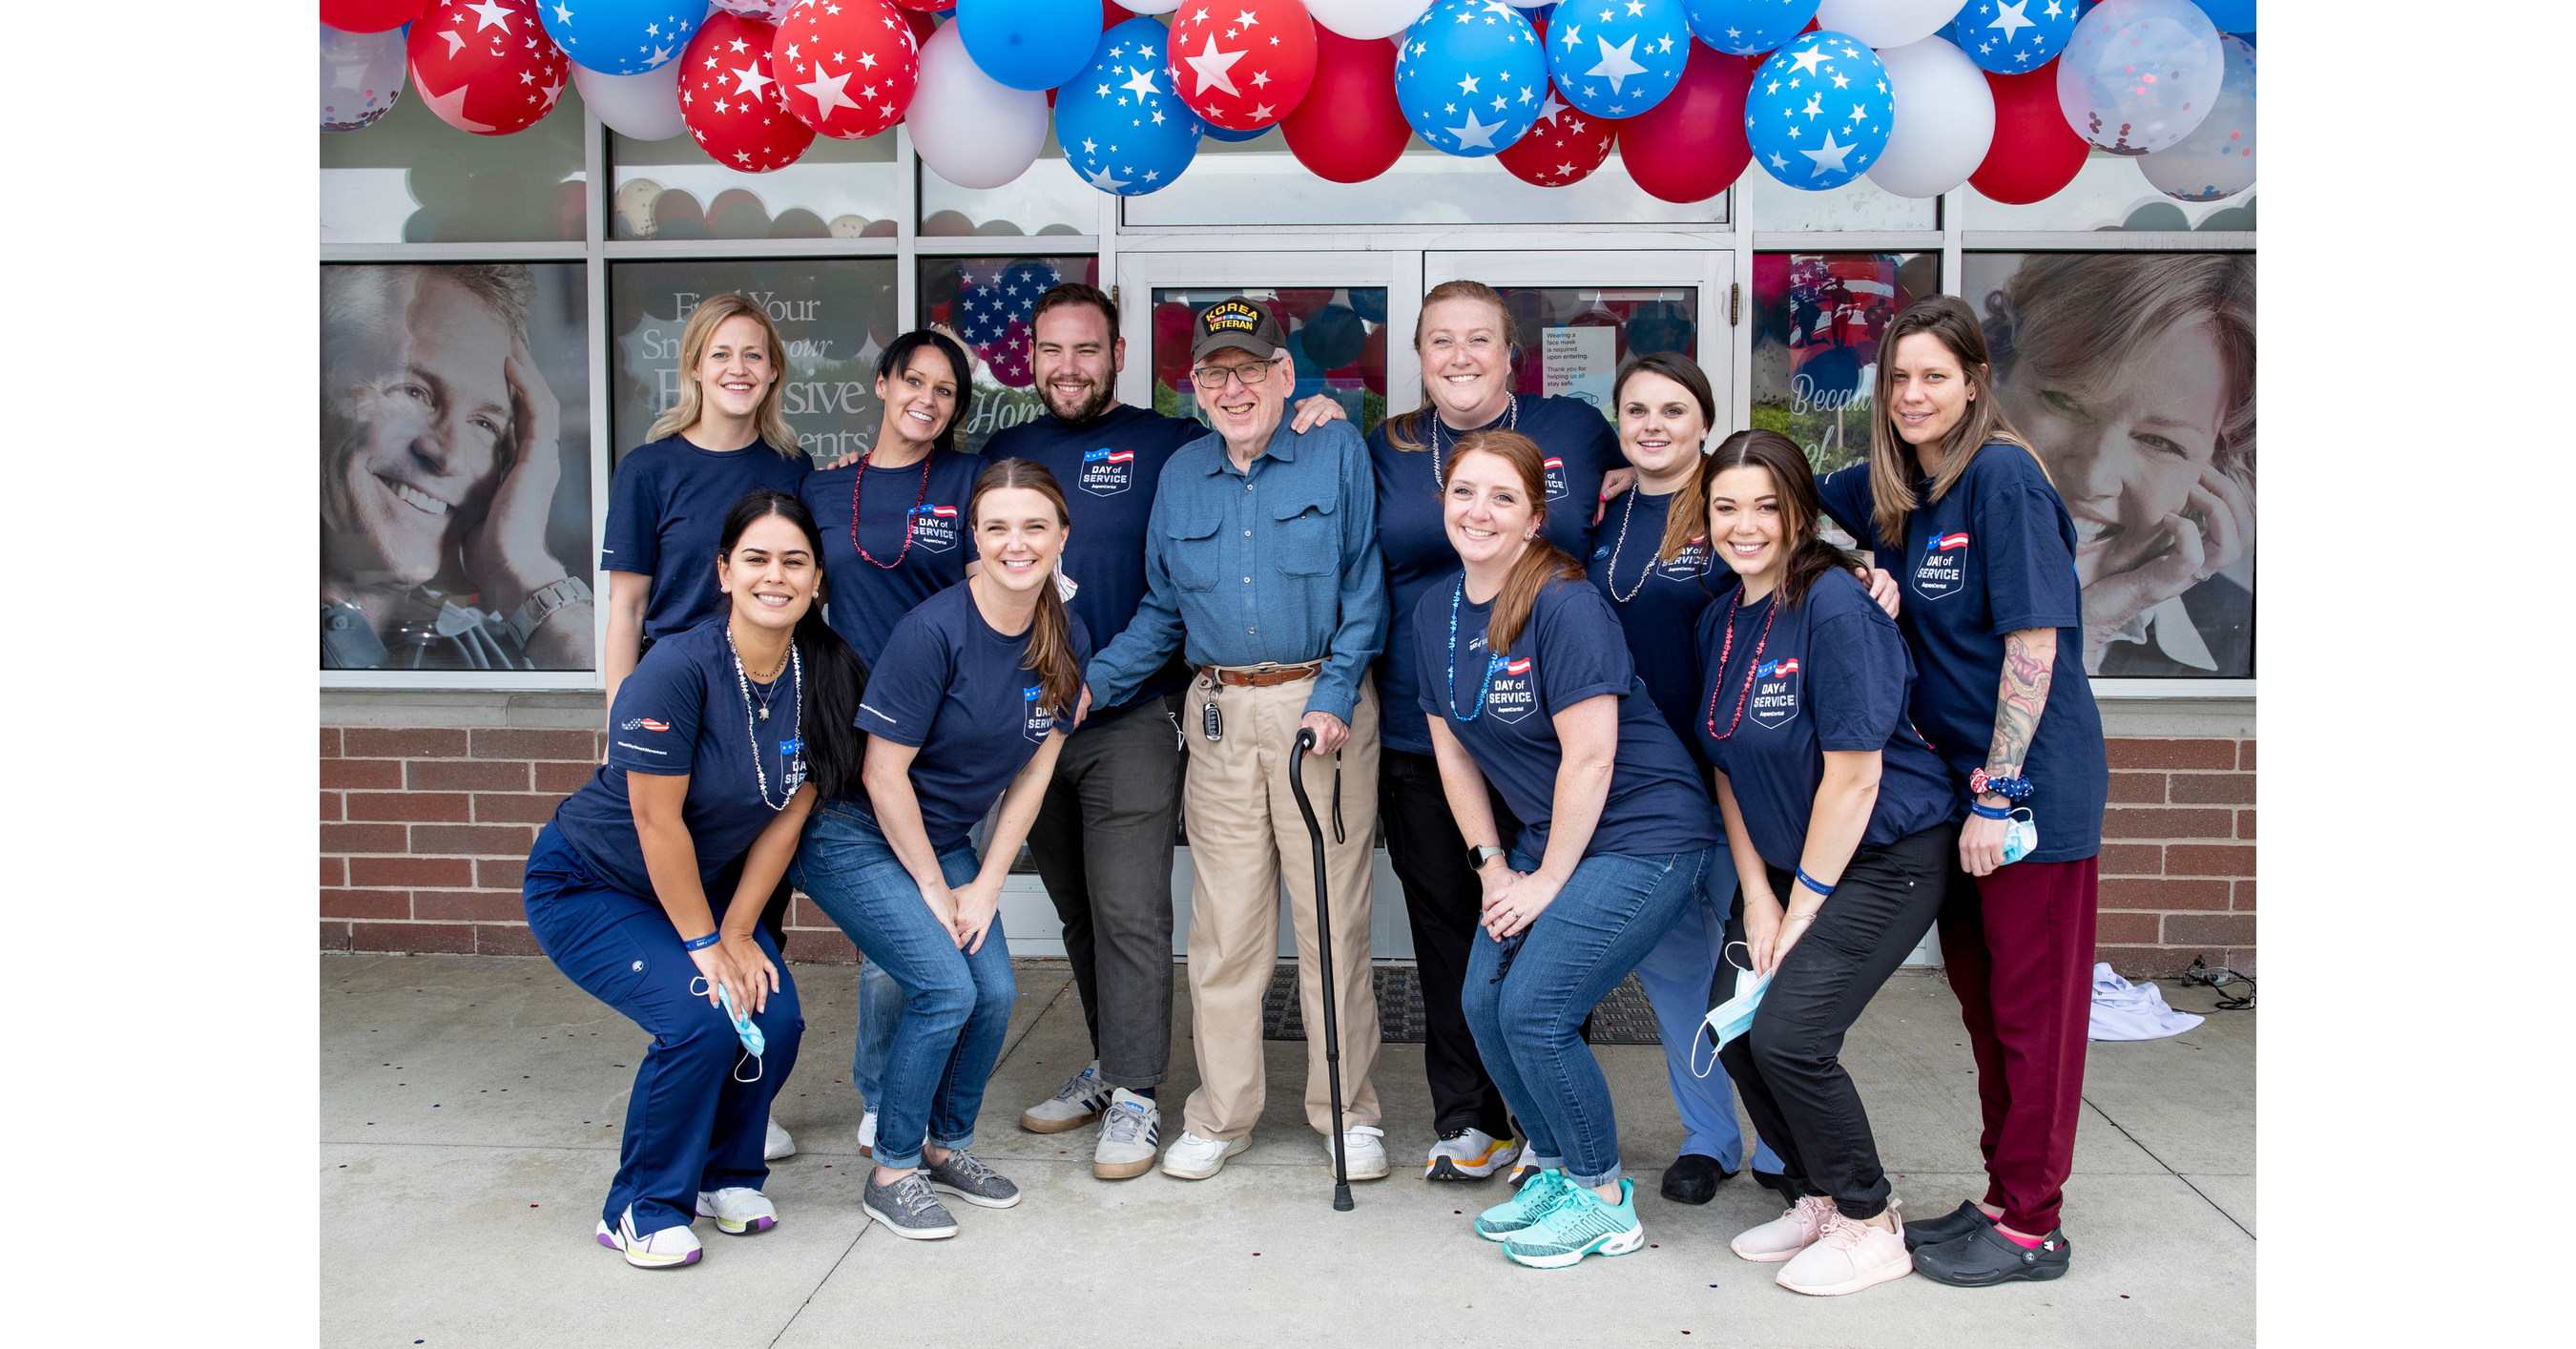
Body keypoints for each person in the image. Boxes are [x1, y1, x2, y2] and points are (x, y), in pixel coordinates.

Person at [983, 281, 1347, 1180]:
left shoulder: (1172, 444)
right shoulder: (1003, 451)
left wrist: (1320, 413)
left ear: (1117, 355)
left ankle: (1144, 1094)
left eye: (1088, 349)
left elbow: (1263, 457)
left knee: (1134, 911)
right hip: (1034, 721)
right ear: (1032, 357)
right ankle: (1115, 1071)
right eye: (1053, 350)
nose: (1070, 366)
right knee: (1079, 910)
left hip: (1136, 716)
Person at [1815, 296, 2110, 1287]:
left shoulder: (2002, 477)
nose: (1912, 395)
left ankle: (2034, 1225)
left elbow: (2034, 642)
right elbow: (1785, 488)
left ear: (1977, 382)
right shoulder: (1909, 486)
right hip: (1958, 796)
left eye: (1935, 376)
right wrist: (1858, 559)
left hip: (2027, 797)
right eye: (1898, 378)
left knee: (2036, 1015)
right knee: (1987, 1013)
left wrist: (2000, 795)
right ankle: (2004, 1195)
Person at [1086, 297, 1391, 1185]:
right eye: (1215, 373)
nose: (1233, 386)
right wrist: (1087, 688)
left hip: (1320, 715)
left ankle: (1348, 1113)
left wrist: (1334, 695)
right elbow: (1160, 611)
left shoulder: (1335, 449)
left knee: (1332, 923)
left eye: (1250, 369)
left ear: (1286, 376)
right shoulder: (1182, 475)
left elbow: (1365, 586)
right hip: (1219, 717)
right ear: (1195, 388)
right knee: (1225, 931)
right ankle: (1222, 1113)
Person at [523, 489, 864, 1269]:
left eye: (794, 561)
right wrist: (706, 941)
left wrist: (741, 930)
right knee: (702, 1014)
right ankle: (640, 1207)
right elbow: (655, 824)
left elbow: (788, 817)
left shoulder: (828, 674)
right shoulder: (676, 667)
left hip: (701, 892)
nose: (774, 576)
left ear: (816, 580)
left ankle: (724, 1173)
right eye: (756, 559)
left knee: (772, 1015)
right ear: (724, 571)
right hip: (592, 882)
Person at [1415, 429, 1718, 1270]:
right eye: (1464, 492)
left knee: (1536, 1011)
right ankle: (1551, 1169)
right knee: (1484, 1003)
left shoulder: (1564, 601)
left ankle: (1602, 1198)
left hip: (1645, 831)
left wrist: (1547, 880)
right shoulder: (1434, 610)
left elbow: (1593, 755)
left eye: (1502, 498)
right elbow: (1453, 752)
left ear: (1533, 520)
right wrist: (1492, 866)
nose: (1480, 512)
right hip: (1546, 840)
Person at [1365, 279, 1631, 1184]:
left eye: (1479, 339)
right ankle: (1469, 1119)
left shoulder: (1576, 431)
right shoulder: (1388, 445)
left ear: (1510, 353)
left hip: (1549, 739)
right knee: (1451, 926)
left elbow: (1676, 479)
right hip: (1425, 727)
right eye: (1441, 340)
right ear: (1419, 353)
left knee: (1553, 927)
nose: (1460, 356)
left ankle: (1547, 1124)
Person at [1688, 430, 1961, 1297]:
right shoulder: (1718, 619)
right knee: (1733, 1027)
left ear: (1800, 511)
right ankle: (1817, 1197)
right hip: (1784, 870)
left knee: (1793, 1036)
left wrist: (1801, 908)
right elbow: (1725, 764)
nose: (1745, 525)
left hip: (1885, 855)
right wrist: (1760, 897)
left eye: (1766, 505)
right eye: (1726, 506)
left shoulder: (1836, 604)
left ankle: (1872, 1220)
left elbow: (1855, 773)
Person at [788, 459, 1090, 1241]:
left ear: (1062, 536)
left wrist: (987, 882)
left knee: (992, 991)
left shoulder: (1065, 630)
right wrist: (930, 884)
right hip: (854, 834)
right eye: (996, 527)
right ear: (975, 538)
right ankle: (891, 1171)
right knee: (944, 989)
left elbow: (1034, 771)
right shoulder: (933, 632)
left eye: (1034, 527)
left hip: (943, 836)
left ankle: (944, 1145)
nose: (1015, 544)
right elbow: (880, 771)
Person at [600, 293, 814, 1159]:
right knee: (678, 895)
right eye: (722, 353)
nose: (738, 369)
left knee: (758, 908)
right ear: (693, 366)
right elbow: (624, 606)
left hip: (765, 703)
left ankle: (747, 1096)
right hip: (678, 701)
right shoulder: (648, 470)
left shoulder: (791, 470)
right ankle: (694, 1058)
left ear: (773, 372)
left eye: (755, 355)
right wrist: (620, 722)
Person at [1584, 353, 1786, 1205]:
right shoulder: (1608, 510)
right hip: (1641, 790)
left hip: (1735, 777)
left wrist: (1867, 572)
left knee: (1758, 968)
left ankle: (1785, 1142)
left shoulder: (1732, 503)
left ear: (1705, 421)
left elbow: (1800, 568)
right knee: (1672, 975)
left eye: (1674, 410)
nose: (1654, 425)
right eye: (1637, 411)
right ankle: (1710, 1136)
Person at [799, 328, 987, 1160]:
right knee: (891, 935)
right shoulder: (821, 487)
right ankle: (881, 1095)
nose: (928, 399)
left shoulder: (967, 478)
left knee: (915, 937)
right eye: (915, 380)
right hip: (849, 732)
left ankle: (899, 1095)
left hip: (939, 736)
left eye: (946, 391)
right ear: (882, 383)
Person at [1978, 253, 2255, 676]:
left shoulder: (2243, 642)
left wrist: (2090, 626)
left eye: (2160, 442)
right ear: (1993, 383)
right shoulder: (1891, 578)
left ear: (2216, 471)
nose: (2092, 478)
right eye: (2063, 402)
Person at [322, 263, 594, 670]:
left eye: (484, 423)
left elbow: (639, 717)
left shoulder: (513, 653)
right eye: (413, 392)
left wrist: (529, 576)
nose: (449, 456)